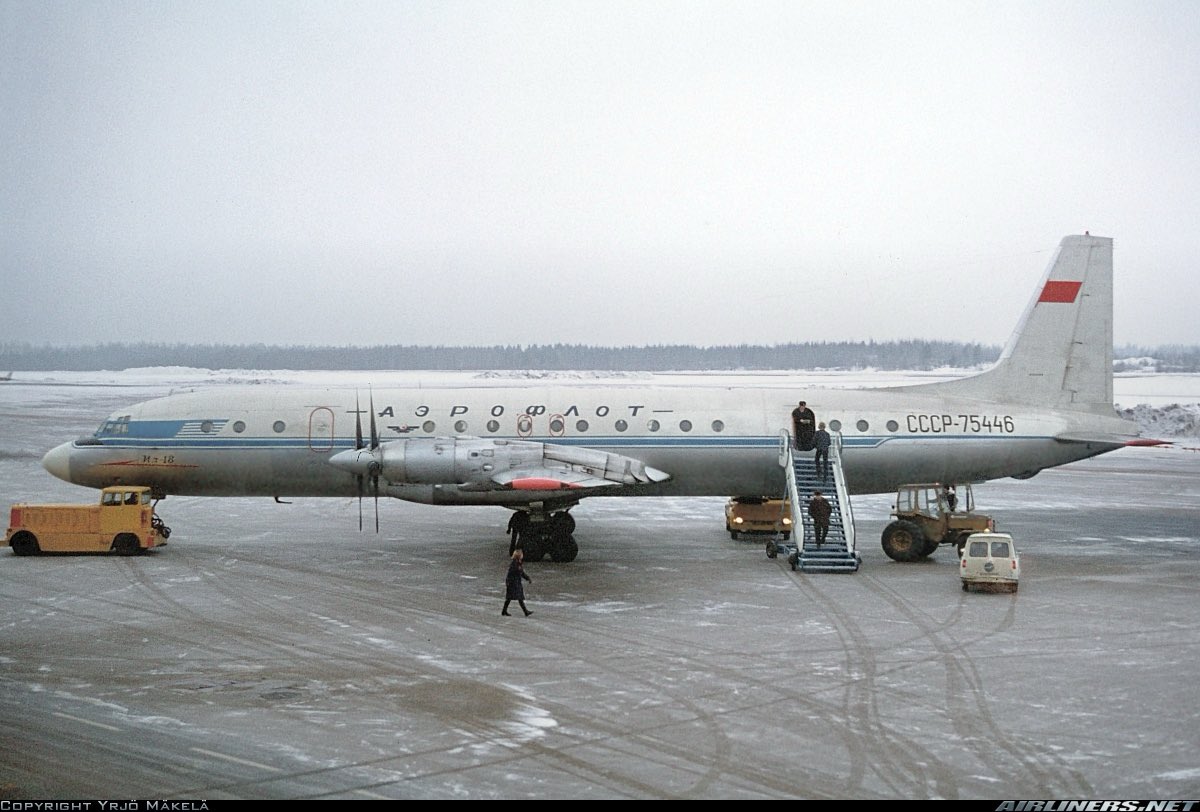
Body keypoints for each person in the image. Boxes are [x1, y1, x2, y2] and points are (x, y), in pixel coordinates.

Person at [502, 549, 533, 617]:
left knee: (513, 598)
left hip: (516, 583)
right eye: (521, 554)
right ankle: (525, 612)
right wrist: (508, 582)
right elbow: (510, 574)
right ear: (518, 556)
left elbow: (521, 573)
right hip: (513, 583)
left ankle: (504, 611)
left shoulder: (518, 563)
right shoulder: (514, 564)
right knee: (517, 597)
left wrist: (527, 578)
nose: (522, 555)